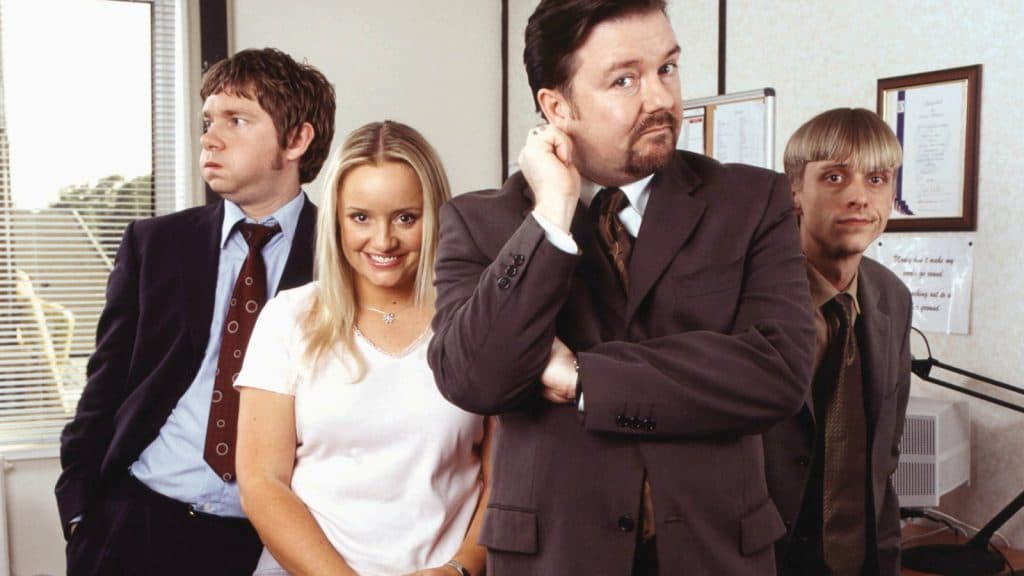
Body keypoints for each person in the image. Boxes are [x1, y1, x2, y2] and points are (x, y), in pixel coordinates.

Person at [427, 0, 816, 573]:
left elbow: (777, 373)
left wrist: (584, 379)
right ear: (556, 106)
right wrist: (552, 214)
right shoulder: (480, 222)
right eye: (624, 79)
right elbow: (473, 378)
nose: (660, 98)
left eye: (667, 68)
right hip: (558, 557)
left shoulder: (753, 202)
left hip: (714, 554)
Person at [55, 47, 335, 576]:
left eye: (237, 120)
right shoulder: (154, 243)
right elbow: (104, 385)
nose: (210, 137)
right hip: (132, 524)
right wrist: (79, 514)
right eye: (208, 120)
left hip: (263, 543)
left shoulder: (343, 257)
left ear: (297, 139)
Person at [234, 120, 491, 576]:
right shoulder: (287, 318)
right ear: (336, 218)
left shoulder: (478, 321)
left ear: (435, 216)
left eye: (405, 217)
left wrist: (460, 569)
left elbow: (504, 481)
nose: (383, 240)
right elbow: (261, 482)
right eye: (361, 217)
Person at [764, 107, 912, 576]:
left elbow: (884, 457)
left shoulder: (892, 297)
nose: (857, 197)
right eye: (833, 177)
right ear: (795, 194)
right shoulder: (747, 293)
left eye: (876, 179)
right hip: (763, 558)